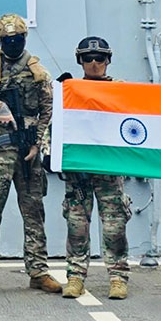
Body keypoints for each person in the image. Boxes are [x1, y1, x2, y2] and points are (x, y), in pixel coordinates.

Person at [0, 13, 61, 296]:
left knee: (34, 211)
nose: (12, 43)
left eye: (17, 39)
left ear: (25, 38)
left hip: (28, 151)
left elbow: (48, 109)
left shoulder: (38, 72)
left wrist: (38, 143)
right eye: (7, 40)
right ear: (0, 40)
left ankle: (38, 271)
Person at [59, 37, 131, 299]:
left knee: (114, 228)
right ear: (80, 61)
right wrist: (50, 153)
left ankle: (118, 277)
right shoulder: (70, 91)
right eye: (87, 58)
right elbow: (57, 126)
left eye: (99, 58)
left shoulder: (122, 91)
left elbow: (142, 116)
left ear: (108, 60)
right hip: (79, 173)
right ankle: (75, 276)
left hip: (109, 171)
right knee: (76, 227)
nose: (93, 63)